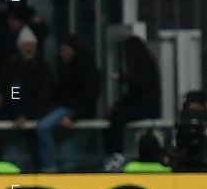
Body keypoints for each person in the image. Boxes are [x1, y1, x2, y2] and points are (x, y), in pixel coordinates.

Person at [35, 35, 99, 172]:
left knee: (43, 127)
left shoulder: (85, 70)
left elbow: (88, 98)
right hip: (64, 107)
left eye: (65, 50)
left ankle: (50, 166)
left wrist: (74, 117)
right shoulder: (63, 67)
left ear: (72, 50)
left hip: (72, 109)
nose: (62, 53)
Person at [103, 36, 161, 172]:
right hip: (144, 106)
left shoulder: (144, 65)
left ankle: (117, 154)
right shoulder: (144, 64)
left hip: (147, 108)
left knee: (116, 119)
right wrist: (118, 106)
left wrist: (124, 78)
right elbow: (134, 93)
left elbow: (139, 87)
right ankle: (115, 154)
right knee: (114, 118)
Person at [169, 91, 207, 172]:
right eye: (191, 108)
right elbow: (168, 152)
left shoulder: (204, 129)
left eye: (198, 108)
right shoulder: (176, 131)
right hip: (179, 170)